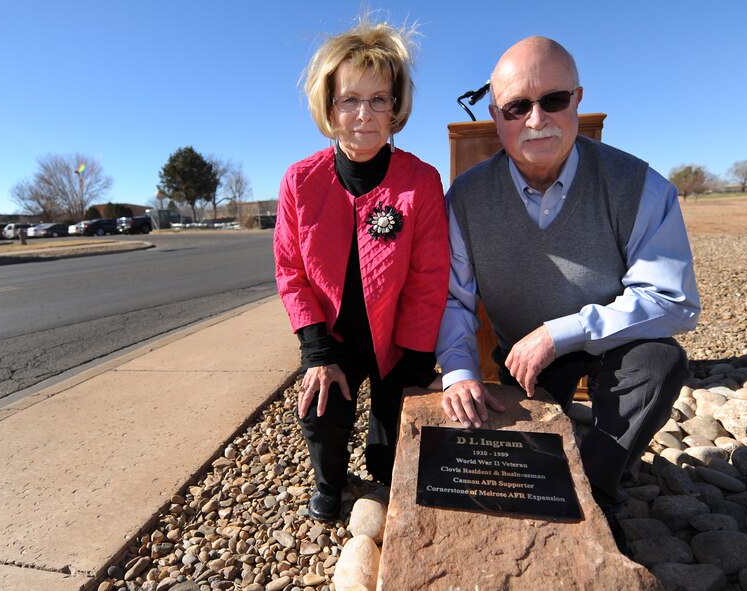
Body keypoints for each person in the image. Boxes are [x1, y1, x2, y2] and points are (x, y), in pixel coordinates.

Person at [436, 36, 700, 514]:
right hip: (524, 355)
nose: (536, 120)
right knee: (500, 446)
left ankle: (591, 495)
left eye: (553, 100)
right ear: (496, 117)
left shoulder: (639, 186)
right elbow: (455, 299)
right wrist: (458, 373)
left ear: (578, 100)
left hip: (612, 343)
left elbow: (673, 299)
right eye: (516, 107)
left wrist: (560, 334)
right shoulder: (465, 198)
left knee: (659, 365)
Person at [274, 17, 449, 521]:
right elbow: (290, 271)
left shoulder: (420, 181)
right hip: (335, 337)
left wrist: (416, 365)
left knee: (391, 452)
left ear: (396, 108)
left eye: (379, 99)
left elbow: (429, 275)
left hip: (397, 339)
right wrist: (316, 351)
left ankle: (382, 449)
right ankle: (329, 481)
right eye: (349, 99)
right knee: (321, 405)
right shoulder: (300, 182)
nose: (364, 114)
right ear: (329, 107)